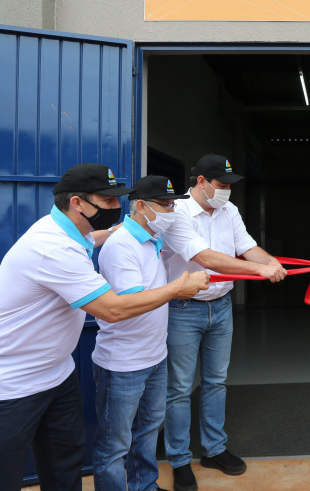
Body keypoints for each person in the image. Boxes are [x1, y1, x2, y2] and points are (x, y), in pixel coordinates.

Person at [0, 163, 209, 491]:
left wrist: (118, 230)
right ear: (77, 203)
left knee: (65, 472)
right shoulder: (53, 247)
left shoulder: (71, 232)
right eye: (108, 200)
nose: (116, 206)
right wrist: (177, 288)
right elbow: (112, 309)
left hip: (55, 378)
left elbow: (93, 238)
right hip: (4, 389)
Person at [159, 154, 287, 491]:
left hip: (221, 306)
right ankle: (179, 460)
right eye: (221, 184)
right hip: (183, 309)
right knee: (179, 388)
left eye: (230, 185)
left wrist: (272, 263)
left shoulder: (229, 210)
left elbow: (247, 248)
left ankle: (214, 449)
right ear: (201, 181)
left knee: (216, 382)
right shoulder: (177, 211)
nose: (227, 190)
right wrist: (260, 269)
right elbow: (205, 258)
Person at [91, 175, 189, 491]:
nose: (171, 211)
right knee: (114, 444)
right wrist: (178, 289)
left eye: (173, 205)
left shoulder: (151, 240)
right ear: (142, 206)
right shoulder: (121, 246)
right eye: (166, 205)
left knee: (147, 431)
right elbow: (130, 304)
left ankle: (145, 486)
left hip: (154, 357)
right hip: (123, 364)